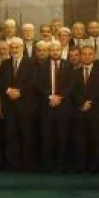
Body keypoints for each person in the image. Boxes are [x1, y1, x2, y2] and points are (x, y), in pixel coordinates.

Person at [0, 37, 39, 171]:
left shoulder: (31, 62)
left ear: (22, 48)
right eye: (13, 47)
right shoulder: (5, 63)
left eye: (17, 47)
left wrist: (20, 92)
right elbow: (0, 82)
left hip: (26, 106)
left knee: (27, 135)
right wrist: (8, 90)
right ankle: (13, 164)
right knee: (11, 135)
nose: (15, 50)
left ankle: (27, 164)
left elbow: (34, 81)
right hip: (10, 106)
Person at [37, 41, 71, 172]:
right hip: (47, 106)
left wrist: (60, 97)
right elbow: (38, 84)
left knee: (62, 136)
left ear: (61, 50)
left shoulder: (68, 65)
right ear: (49, 51)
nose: (55, 52)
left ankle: (61, 164)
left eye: (57, 49)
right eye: (52, 50)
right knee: (46, 136)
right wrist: (50, 96)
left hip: (63, 106)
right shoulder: (41, 65)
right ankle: (47, 165)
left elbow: (71, 85)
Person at [71, 44, 99, 173]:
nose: (87, 56)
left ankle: (94, 167)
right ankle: (80, 166)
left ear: (94, 56)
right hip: (79, 111)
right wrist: (82, 103)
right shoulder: (74, 73)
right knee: (80, 141)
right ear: (80, 56)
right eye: (84, 54)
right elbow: (72, 91)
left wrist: (89, 102)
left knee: (95, 140)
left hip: (95, 111)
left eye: (90, 54)